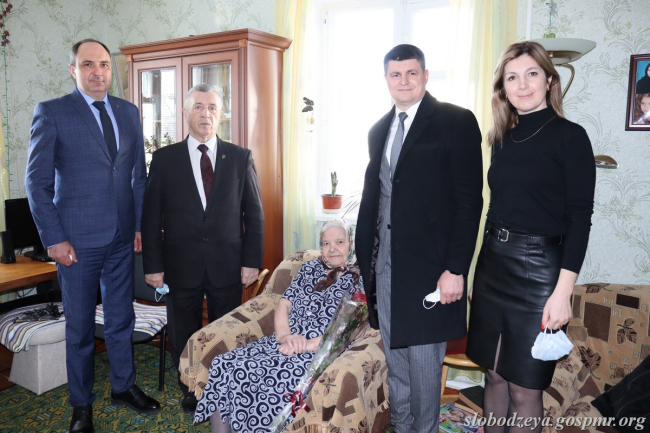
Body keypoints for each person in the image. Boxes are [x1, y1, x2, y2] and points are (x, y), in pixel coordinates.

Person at [25, 39, 160, 433]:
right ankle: (81, 406)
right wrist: (54, 239)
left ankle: (123, 387)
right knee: (80, 328)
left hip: (121, 238)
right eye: (88, 64)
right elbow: (36, 183)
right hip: (76, 242)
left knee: (121, 317)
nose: (98, 72)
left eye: (103, 64)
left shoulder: (128, 112)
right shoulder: (52, 112)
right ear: (74, 70)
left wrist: (138, 226)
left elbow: (137, 176)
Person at [466, 41, 596, 433]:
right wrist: (477, 272)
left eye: (532, 74)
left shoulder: (571, 137)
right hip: (493, 266)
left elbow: (580, 218)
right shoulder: (500, 138)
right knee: (493, 377)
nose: (522, 85)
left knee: (524, 389)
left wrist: (562, 293)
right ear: (503, 89)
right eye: (512, 77)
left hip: (540, 273)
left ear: (549, 81)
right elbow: (495, 209)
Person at [355, 44, 483, 433]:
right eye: (396, 74)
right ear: (386, 79)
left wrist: (456, 269)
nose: (404, 81)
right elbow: (379, 198)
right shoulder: (378, 129)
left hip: (431, 271)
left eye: (412, 73)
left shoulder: (456, 121)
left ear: (425, 76)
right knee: (396, 364)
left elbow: (469, 202)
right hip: (385, 268)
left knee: (425, 368)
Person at [141, 83, 264, 415]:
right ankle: (191, 388)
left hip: (228, 264)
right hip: (180, 265)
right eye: (198, 106)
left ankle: (222, 386)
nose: (205, 113)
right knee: (183, 330)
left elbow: (254, 214)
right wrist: (153, 266)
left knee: (226, 331)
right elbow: (150, 218)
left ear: (220, 114)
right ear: (185, 112)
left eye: (211, 107)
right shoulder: (164, 159)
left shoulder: (240, 157)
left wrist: (251, 261)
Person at [193, 219, 363, 433]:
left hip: (319, 351)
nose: (332, 249)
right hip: (284, 341)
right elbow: (284, 304)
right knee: (224, 364)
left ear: (350, 242)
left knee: (263, 375)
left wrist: (306, 344)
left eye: (339, 242)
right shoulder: (309, 268)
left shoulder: (359, 278)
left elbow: (349, 328)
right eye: (326, 243)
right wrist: (284, 336)